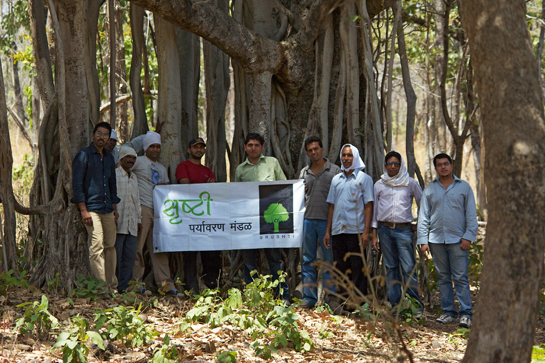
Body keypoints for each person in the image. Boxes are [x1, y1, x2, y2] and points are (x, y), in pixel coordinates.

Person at [417, 153, 478, 328]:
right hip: (436, 241)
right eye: (439, 165)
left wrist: (468, 237)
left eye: (446, 164)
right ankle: (448, 312)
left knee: (460, 277)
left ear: (451, 165)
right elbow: (423, 217)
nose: (443, 167)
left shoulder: (464, 187)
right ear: (435, 168)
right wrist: (423, 240)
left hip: (459, 241)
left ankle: (466, 313)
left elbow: (471, 215)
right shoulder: (430, 189)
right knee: (443, 277)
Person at [234, 133, 290, 304]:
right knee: (249, 260)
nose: (253, 148)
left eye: (256, 145)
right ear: (245, 147)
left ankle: (282, 296)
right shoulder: (240, 170)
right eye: (250, 145)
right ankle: (252, 297)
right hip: (248, 221)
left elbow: (284, 186)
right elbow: (234, 197)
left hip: (269, 221)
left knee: (275, 259)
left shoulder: (272, 163)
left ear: (262, 147)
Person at [371, 151, 424, 317]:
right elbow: (374, 211)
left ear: (401, 166)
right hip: (384, 230)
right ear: (385, 165)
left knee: (408, 267)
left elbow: (423, 204)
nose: (393, 166)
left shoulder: (410, 183)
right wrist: (374, 234)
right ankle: (396, 306)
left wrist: (417, 225)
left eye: (396, 163)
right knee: (391, 268)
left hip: (404, 230)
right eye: (390, 163)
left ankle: (416, 307)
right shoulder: (379, 184)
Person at [71, 122, 120, 294]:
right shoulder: (83, 155)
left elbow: (112, 186)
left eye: (105, 135)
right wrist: (83, 210)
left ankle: (112, 286)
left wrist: (114, 209)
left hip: (107, 209)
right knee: (97, 245)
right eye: (99, 133)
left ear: (109, 139)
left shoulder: (109, 158)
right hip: (91, 208)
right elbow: (77, 184)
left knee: (110, 246)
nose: (102, 137)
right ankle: (101, 287)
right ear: (93, 135)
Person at [324, 144, 373, 310]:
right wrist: (327, 231)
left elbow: (368, 206)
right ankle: (343, 300)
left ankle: (358, 302)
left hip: (356, 231)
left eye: (350, 155)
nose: (346, 158)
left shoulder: (364, 179)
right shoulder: (336, 180)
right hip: (338, 231)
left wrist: (366, 233)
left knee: (357, 266)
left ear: (356, 157)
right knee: (341, 266)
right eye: (344, 155)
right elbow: (331, 206)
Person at [131, 131, 181, 297]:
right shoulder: (137, 162)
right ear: (145, 147)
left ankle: (166, 285)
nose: (155, 149)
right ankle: (135, 283)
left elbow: (165, 187)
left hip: (160, 211)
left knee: (159, 248)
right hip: (143, 208)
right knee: (138, 247)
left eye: (158, 146)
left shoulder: (161, 167)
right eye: (151, 146)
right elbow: (122, 163)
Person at [298, 136, 340, 309]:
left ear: (322, 149)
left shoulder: (335, 171)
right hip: (307, 221)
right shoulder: (303, 172)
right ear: (307, 153)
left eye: (316, 149)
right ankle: (309, 298)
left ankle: (330, 298)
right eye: (310, 150)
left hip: (327, 223)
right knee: (308, 259)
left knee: (329, 261)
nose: (313, 152)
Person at [175, 137, 222, 294]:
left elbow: (213, 191)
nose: (199, 150)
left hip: (207, 219)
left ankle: (211, 285)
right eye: (195, 147)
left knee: (210, 252)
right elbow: (185, 186)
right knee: (189, 253)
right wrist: (204, 187)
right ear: (189, 150)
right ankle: (191, 287)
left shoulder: (207, 170)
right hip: (189, 218)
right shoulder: (183, 166)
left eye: (202, 147)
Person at [114, 146, 142, 293]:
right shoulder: (115, 174)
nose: (131, 160)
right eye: (128, 158)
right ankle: (115, 286)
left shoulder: (134, 177)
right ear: (121, 158)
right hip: (119, 222)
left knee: (129, 257)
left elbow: (136, 200)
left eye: (133, 158)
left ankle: (125, 287)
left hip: (132, 224)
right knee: (116, 257)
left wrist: (139, 219)